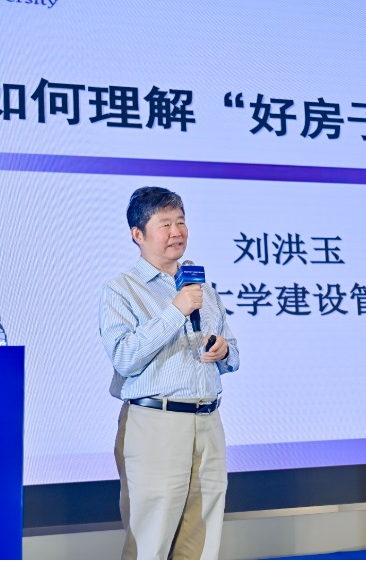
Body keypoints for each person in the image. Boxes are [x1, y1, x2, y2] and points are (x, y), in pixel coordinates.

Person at [99, 186, 240, 560]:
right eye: (165, 224)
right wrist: (175, 311)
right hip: (155, 424)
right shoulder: (121, 290)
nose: (177, 231)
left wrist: (224, 350)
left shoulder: (201, 288)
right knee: (151, 540)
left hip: (208, 421)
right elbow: (125, 358)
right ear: (138, 234)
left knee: (202, 540)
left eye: (181, 222)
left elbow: (233, 354)